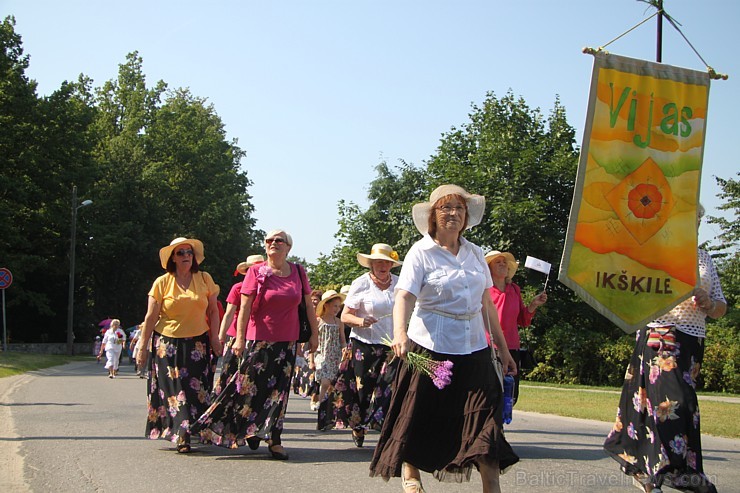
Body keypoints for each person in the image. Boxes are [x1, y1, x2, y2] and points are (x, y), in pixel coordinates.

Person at [369, 184, 518, 493]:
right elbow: (404, 297)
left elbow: (487, 304)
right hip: (430, 345)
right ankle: (411, 472)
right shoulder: (421, 252)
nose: (453, 214)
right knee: (420, 412)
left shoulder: (475, 252)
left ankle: (492, 485)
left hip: (474, 345)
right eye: (445, 209)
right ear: (433, 217)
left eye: (459, 209)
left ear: (466, 217)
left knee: (484, 419)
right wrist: (399, 333)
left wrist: (503, 350)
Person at [603, 207, 727, 493]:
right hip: (661, 335)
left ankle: (651, 472)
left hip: (692, 341)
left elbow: (721, 306)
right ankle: (671, 471)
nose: (693, 224)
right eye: (687, 219)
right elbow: (632, 292)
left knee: (676, 407)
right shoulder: (656, 253)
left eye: (697, 220)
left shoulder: (703, 257)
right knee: (674, 404)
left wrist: (709, 303)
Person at [193, 229, 319, 461]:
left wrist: (314, 334)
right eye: (269, 240)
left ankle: (275, 439)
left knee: (278, 393)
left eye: (279, 240)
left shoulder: (298, 272)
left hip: (287, 342)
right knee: (249, 388)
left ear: (288, 247)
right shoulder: (255, 272)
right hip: (258, 339)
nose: (273, 243)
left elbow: (308, 306)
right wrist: (239, 338)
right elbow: (245, 308)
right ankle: (249, 428)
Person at [135, 237, 222, 453]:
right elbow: (150, 317)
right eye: (181, 253)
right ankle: (183, 434)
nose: (186, 256)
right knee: (175, 391)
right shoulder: (162, 282)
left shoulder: (204, 278)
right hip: (167, 343)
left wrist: (215, 338)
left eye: (189, 252)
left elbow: (212, 311)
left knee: (197, 389)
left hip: (198, 343)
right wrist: (142, 347)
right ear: (173, 258)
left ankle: (195, 430)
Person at [318, 243, 402, 444]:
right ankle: (358, 426)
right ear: (371, 264)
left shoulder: (400, 284)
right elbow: (345, 315)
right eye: (378, 262)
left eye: (387, 262)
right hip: (364, 345)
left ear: (391, 265)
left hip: (391, 346)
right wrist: (361, 321)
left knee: (390, 387)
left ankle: (384, 427)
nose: (383, 266)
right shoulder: (361, 283)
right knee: (363, 390)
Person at [485, 250, 547, 405]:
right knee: (489, 392)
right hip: (489, 346)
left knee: (510, 394)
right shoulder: (484, 290)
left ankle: (500, 425)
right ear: (489, 268)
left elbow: (523, 321)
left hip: (512, 347)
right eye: (497, 262)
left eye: (504, 262)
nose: (502, 264)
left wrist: (533, 305)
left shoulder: (515, 290)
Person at [309, 290, 346, 411]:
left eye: (338, 306)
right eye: (334, 306)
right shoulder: (319, 321)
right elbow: (313, 341)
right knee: (324, 381)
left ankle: (326, 404)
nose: (337, 309)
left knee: (331, 382)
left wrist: (344, 350)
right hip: (322, 354)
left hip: (335, 355)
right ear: (326, 305)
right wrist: (311, 360)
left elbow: (342, 339)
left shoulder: (339, 322)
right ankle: (319, 401)